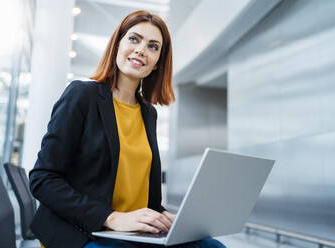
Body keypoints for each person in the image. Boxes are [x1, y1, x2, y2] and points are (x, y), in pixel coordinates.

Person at [29, 10, 226, 248]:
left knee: (210, 246)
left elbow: (144, 198)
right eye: (134, 39)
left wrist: (165, 217)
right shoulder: (82, 95)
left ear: (157, 64)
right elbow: (43, 179)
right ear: (117, 45)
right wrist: (111, 218)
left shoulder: (148, 113)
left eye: (153, 47)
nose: (142, 50)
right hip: (82, 230)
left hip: (130, 233)